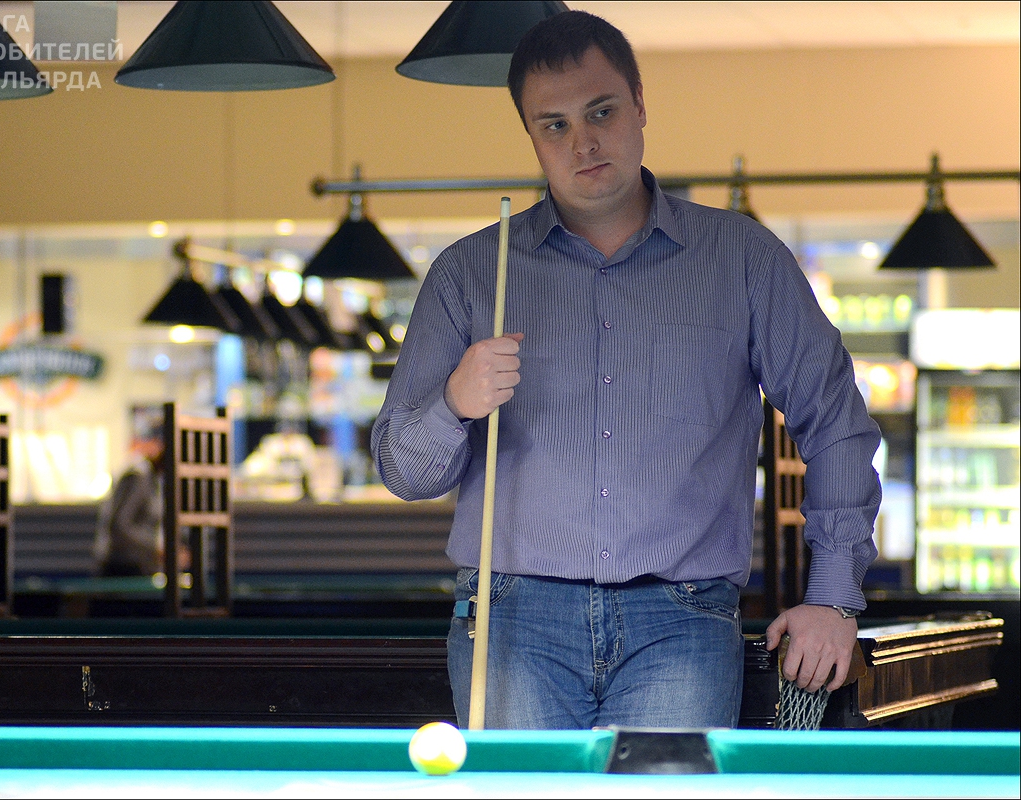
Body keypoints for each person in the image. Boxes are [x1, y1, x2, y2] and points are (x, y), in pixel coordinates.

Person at [371, 10, 881, 730]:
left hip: (683, 621)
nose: (582, 142)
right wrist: (454, 403)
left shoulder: (743, 259)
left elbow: (835, 422)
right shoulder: (470, 274)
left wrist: (831, 596)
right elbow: (403, 472)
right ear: (530, 135)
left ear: (640, 104)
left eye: (601, 111)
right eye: (554, 125)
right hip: (513, 620)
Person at [95, 432, 166, 577]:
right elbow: (120, 525)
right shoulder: (138, 478)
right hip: (124, 566)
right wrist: (155, 547)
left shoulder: (154, 479)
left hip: (141, 564)